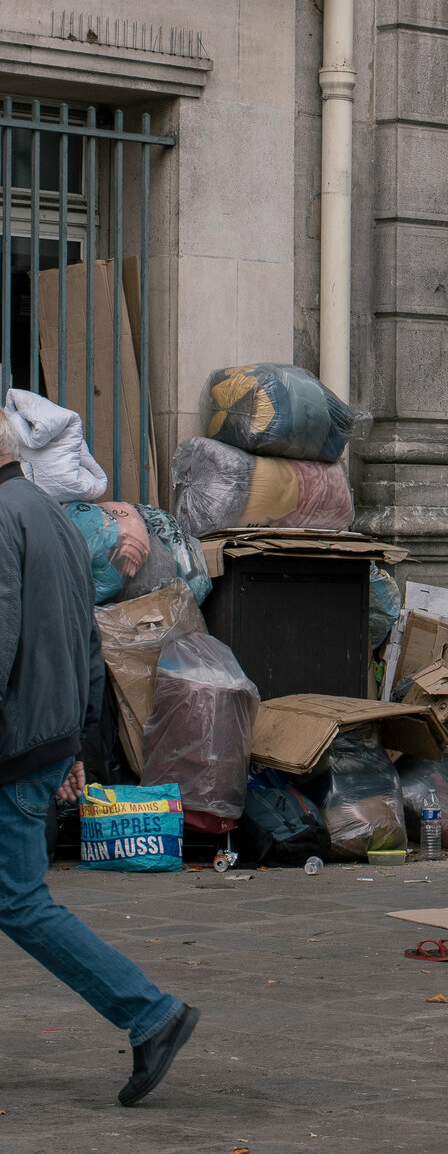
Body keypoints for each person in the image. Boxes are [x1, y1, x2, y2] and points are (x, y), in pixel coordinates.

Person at [0, 419, 198, 1105]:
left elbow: (1, 639)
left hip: (13, 743)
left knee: (20, 901)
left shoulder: (3, 517)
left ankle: (149, 1011)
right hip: (40, 738)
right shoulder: (51, 518)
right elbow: (87, 643)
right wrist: (76, 741)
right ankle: (149, 1012)